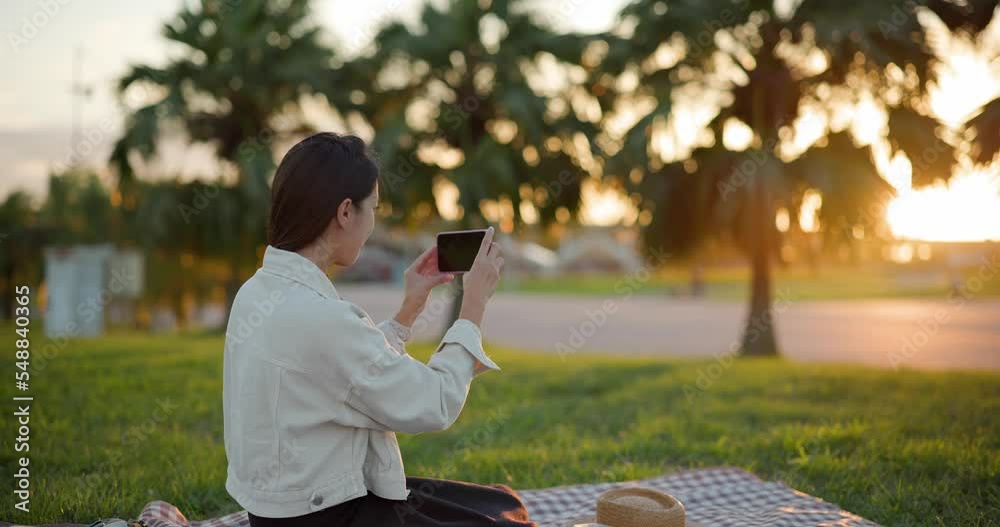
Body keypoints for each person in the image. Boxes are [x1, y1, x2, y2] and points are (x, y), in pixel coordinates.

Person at [222, 132, 534, 526]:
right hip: (330, 516)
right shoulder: (323, 318)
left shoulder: (258, 292)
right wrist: (472, 308)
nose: (373, 224)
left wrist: (409, 308)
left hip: (276, 513)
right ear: (346, 212)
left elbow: (342, 372)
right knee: (504, 522)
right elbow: (432, 402)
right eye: (375, 208)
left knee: (493, 503)